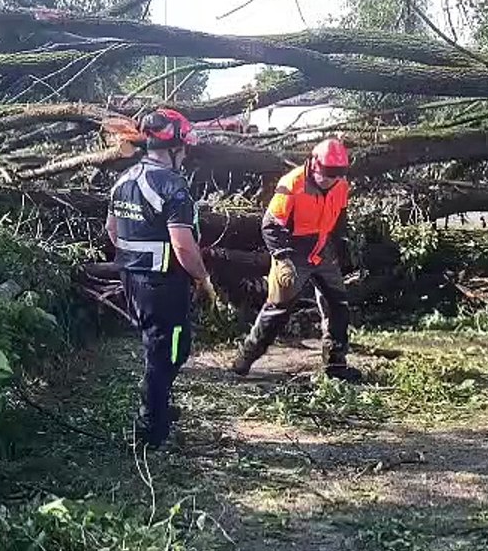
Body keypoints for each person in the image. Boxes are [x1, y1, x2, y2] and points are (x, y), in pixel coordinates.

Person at [106, 108, 216, 450]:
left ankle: (158, 405)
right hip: (164, 284)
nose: (184, 155)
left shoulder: (124, 179)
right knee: (169, 350)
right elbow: (183, 245)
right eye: (183, 149)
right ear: (174, 147)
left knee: (158, 346)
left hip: (133, 279)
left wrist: (134, 259)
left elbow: (111, 230)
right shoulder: (173, 186)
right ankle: (150, 427)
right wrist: (203, 279)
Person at [231, 138, 361, 382]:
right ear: (313, 163)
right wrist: (283, 258)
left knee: (338, 305)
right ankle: (245, 359)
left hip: (322, 248)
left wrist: (343, 251)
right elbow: (270, 225)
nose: (330, 181)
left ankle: (335, 364)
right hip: (292, 248)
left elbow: (340, 219)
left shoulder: (341, 185)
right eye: (326, 175)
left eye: (335, 176)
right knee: (278, 309)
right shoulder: (292, 184)